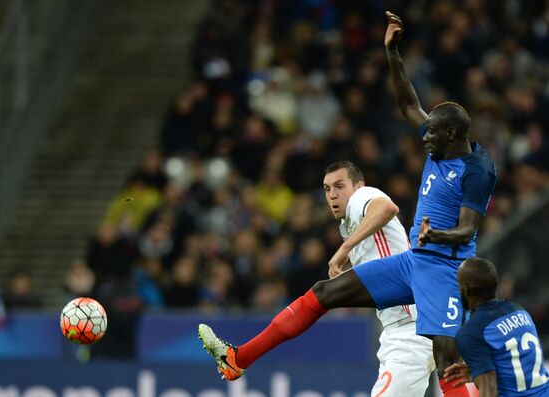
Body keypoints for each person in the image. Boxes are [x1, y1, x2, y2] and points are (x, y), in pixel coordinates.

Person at [198, 11, 496, 397]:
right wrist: (393, 53)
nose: (424, 139)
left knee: (446, 361)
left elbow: (469, 228)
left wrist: (434, 233)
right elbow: (409, 105)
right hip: (414, 264)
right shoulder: (440, 145)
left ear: (452, 134)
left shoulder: (477, 170)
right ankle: (239, 359)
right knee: (323, 293)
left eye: (432, 135)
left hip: (443, 270)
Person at [324, 160, 435, 396]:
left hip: (410, 328)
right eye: (327, 189)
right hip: (403, 327)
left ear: (358, 186)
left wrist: (344, 250)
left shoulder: (361, 197)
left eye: (339, 186)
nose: (333, 195)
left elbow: (387, 207)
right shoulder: (349, 224)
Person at [444, 258, 549, 396]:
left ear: (466, 289)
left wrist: (484, 378)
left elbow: (489, 392)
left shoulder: (470, 333)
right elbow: (522, 364)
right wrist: (477, 371)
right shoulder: (519, 311)